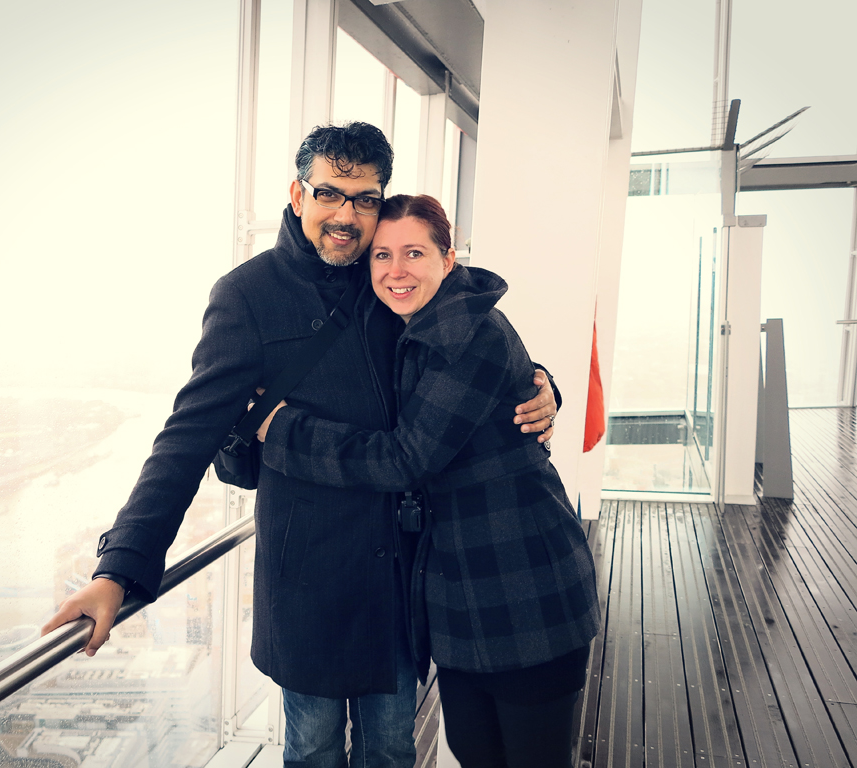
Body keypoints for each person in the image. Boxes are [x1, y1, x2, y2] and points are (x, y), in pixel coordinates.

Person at [41, 123, 558, 768]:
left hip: (398, 568)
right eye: (329, 193)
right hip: (308, 572)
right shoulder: (247, 296)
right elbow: (187, 436)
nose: (346, 215)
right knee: (312, 747)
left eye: (364, 199)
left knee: (391, 747)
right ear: (297, 195)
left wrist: (541, 385)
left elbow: (464, 347)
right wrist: (118, 569)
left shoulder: (387, 277)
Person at [256, 195, 599, 768]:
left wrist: (281, 429)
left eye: (414, 253)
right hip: (460, 598)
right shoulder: (415, 325)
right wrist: (542, 383)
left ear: (448, 257)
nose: (397, 270)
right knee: (474, 750)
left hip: (525, 588)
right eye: (382, 255)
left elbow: (403, 459)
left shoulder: (467, 334)